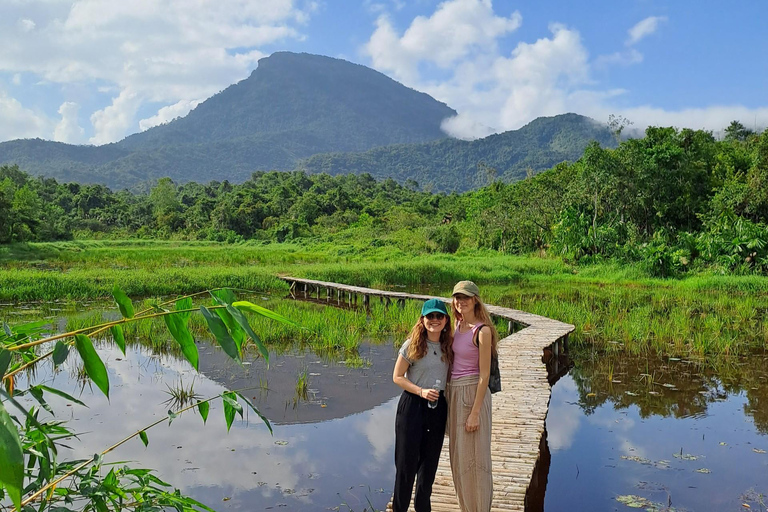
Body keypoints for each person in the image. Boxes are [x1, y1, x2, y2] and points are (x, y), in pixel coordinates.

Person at [392, 298, 453, 512]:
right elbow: (397, 377)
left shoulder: (449, 346)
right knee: (406, 469)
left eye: (439, 316)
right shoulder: (413, 344)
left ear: (446, 320)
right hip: (413, 408)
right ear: (422, 319)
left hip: (437, 409)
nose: (434, 320)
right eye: (430, 316)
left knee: (428, 469)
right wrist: (421, 391)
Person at [447, 280, 498, 512]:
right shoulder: (457, 326)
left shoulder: (482, 330)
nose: (461, 302)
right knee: (459, 457)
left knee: (476, 460)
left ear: (475, 299)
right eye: (457, 297)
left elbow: (484, 376)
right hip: (455, 393)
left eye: (465, 297)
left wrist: (475, 413)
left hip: (473, 393)